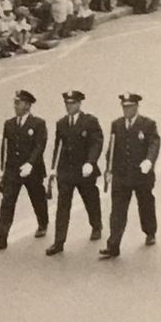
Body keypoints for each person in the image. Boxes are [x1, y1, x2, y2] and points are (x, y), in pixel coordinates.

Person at [100, 93, 160, 259]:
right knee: (117, 210)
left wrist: (149, 161)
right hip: (121, 175)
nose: (126, 110)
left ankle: (150, 231)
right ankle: (113, 245)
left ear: (136, 107)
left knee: (145, 204)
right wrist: (108, 169)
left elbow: (154, 144)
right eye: (124, 107)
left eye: (129, 107)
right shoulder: (117, 125)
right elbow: (111, 150)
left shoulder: (147, 124)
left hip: (141, 175)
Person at [46, 91, 104, 256]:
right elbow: (58, 148)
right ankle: (59, 241)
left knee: (90, 199)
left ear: (79, 104)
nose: (69, 106)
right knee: (62, 206)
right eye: (67, 104)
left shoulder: (90, 121)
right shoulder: (61, 123)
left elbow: (96, 143)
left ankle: (96, 225)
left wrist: (90, 162)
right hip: (66, 171)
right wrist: (53, 169)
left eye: (72, 103)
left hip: (84, 170)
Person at [0, 90, 48, 250]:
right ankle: (2, 235)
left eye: (19, 102)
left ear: (28, 105)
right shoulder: (9, 124)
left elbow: (39, 146)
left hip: (32, 170)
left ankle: (43, 223)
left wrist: (30, 164)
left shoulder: (38, 123)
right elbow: (6, 148)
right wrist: (3, 170)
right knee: (7, 202)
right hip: (13, 170)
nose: (16, 105)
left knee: (37, 198)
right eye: (15, 102)